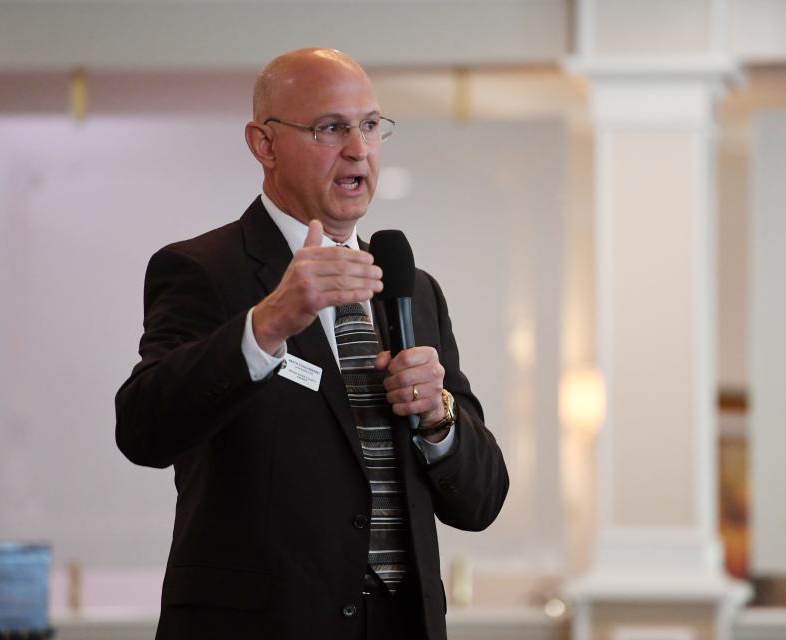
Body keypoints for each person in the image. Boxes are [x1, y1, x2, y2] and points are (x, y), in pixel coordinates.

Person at [115, 48, 509, 640]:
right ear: (264, 144)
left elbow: (479, 504)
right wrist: (267, 324)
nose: (358, 149)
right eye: (330, 128)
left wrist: (439, 417)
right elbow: (143, 430)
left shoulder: (413, 289)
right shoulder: (203, 270)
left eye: (370, 126)